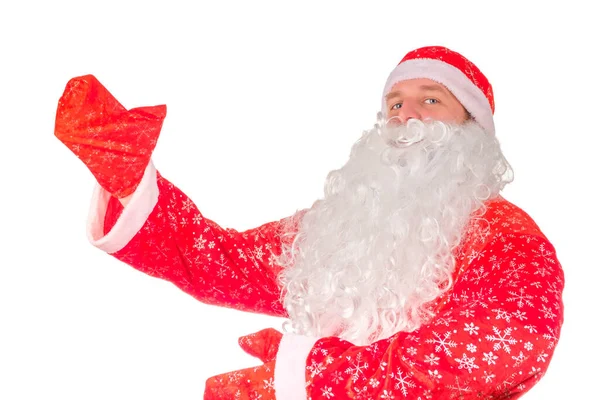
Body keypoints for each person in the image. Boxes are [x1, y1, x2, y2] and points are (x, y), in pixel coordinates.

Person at [54, 46, 564, 399]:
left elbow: (510, 347)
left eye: (431, 99)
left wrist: (309, 376)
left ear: (471, 130)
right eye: (394, 102)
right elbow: (220, 263)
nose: (406, 115)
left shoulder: (506, 236)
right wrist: (128, 177)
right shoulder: (339, 228)